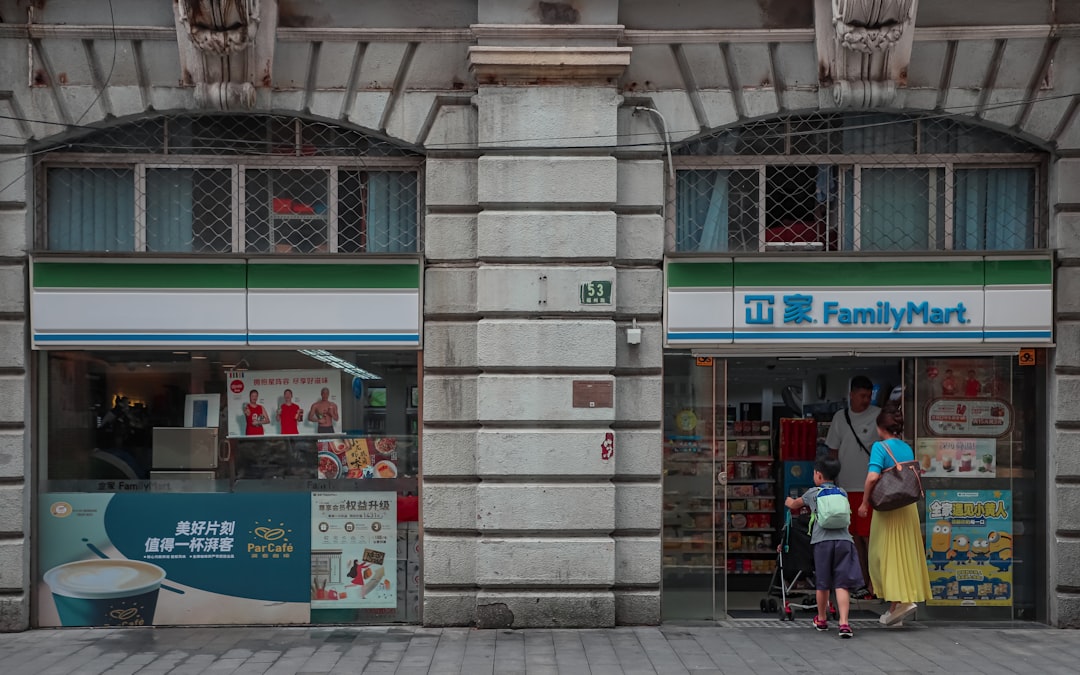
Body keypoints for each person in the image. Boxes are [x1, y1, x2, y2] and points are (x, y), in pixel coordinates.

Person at [858, 404, 932, 626]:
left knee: (883, 556)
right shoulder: (905, 447)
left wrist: (864, 503)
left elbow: (872, 477)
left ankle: (901, 602)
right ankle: (896, 610)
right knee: (903, 555)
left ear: (880, 427)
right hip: (906, 508)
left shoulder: (880, 447)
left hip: (887, 508)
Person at [785, 456, 863, 639]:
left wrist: (788, 501)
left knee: (823, 583)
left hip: (822, 542)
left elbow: (794, 505)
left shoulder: (813, 493)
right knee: (842, 584)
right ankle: (844, 623)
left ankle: (821, 619)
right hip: (844, 541)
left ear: (818, 475)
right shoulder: (842, 492)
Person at [825, 375, 880, 598]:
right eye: (862, 395)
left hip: (870, 488)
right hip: (846, 488)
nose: (866, 400)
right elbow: (832, 451)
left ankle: (876, 584)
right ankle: (862, 580)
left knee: (870, 537)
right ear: (852, 395)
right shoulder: (840, 418)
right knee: (853, 537)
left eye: (869, 396)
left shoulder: (877, 416)